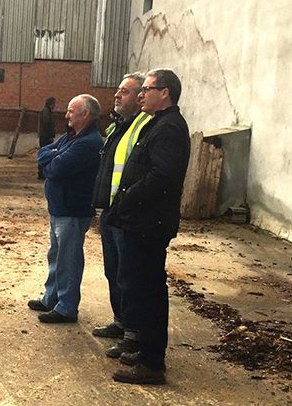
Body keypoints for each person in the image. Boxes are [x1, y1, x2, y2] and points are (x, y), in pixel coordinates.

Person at [108, 69, 191, 385]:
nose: (141, 94)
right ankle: (145, 351)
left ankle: (152, 363)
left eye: (146, 89)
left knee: (149, 293)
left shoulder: (170, 128)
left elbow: (161, 177)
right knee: (141, 290)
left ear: (164, 92)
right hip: (140, 222)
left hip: (148, 224)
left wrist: (127, 198)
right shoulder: (159, 124)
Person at [28, 95, 103, 323]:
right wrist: (52, 157)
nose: (67, 115)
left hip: (72, 210)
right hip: (60, 208)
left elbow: (56, 169)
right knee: (56, 255)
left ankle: (67, 307)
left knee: (68, 259)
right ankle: (51, 298)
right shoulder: (71, 137)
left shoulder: (88, 143)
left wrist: (52, 160)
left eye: (71, 111)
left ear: (85, 114)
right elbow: (42, 153)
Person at [91, 72, 150, 359]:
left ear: (140, 98)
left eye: (124, 92)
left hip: (125, 214)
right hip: (110, 211)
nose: (116, 95)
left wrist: (122, 205)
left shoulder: (144, 126)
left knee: (128, 275)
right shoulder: (118, 126)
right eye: (118, 90)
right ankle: (120, 322)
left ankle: (133, 334)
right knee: (112, 272)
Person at [37, 97, 57, 179]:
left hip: (44, 136)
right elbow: (46, 124)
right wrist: (50, 134)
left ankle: (42, 173)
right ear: (51, 104)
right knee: (46, 154)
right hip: (46, 136)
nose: (55, 106)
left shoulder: (47, 111)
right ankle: (42, 173)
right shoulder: (46, 112)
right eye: (54, 104)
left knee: (45, 153)